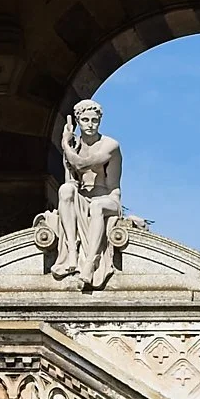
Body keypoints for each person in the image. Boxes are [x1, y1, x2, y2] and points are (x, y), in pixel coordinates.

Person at [53, 99, 124, 288]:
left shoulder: (110, 145)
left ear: (99, 121)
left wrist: (64, 145)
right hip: (83, 198)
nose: (90, 125)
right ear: (78, 121)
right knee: (65, 190)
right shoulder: (75, 145)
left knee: (97, 205)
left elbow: (82, 164)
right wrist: (69, 147)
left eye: (94, 120)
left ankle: (91, 262)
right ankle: (72, 254)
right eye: (85, 120)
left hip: (108, 199)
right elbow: (71, 179)